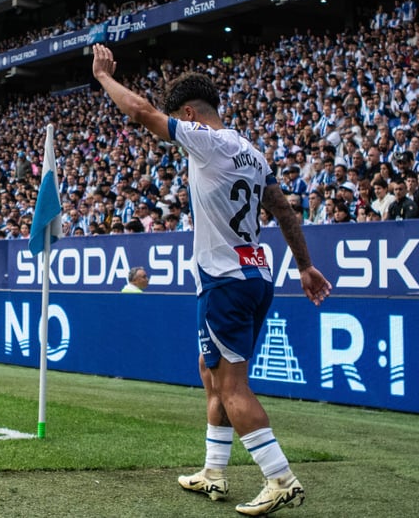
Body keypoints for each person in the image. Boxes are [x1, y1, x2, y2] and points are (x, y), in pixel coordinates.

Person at [91, 44, 330, 516]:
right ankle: (214, 472)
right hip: (255, 275)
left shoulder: (205, 139)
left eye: (179, 117)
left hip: (224, 278)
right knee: (211, 373)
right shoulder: (251, 151)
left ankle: (279, 477)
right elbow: (282, 209)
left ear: (189, 113)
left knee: (232, 386)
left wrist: (103, 77)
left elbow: (140, 111)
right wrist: (304, 265)